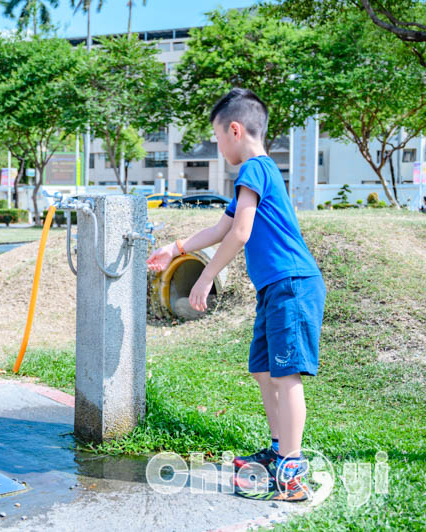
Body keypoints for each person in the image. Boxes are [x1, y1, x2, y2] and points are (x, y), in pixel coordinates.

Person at [147, 88, 326, 503]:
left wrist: (206, 276)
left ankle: (293, 471)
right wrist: (175, 249)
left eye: (217, 136)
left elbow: (241, 234)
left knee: (286, 375)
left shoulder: (253, 169)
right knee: (264, 371)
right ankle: (279, 450)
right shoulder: (256, 175)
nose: (217, 145)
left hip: (292, 284)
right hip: (276, 289)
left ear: (234, 129)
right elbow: (221, 228)